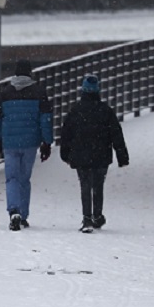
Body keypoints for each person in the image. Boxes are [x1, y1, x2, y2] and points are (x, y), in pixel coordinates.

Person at [59, 74, 130, 233]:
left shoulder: (76, 110)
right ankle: (97, 215)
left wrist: (65, 154)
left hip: (81, 154)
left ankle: (87, 218)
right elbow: (116, 134)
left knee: (85, 184)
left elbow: (66, 134)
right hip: (101, 154)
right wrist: (122, 156)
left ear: (82, 91)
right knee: (98, 185)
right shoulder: (105, 110)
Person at [0, 59, 55, 231]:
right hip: (30, 143)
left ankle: (14, 211)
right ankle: (24, 215)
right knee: (24, 179)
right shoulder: (39, 92)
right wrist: (47, 142)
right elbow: (45, 119)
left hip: (9, 142)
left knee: (11, 178)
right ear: (30, 73)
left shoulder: (4, 94)